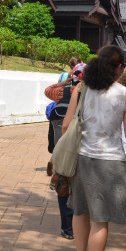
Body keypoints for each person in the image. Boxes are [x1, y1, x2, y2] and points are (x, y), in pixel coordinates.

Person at [63, 45, 126, 251]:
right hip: (110, 161)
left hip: (83, 158)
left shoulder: (80, 89)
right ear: (119, 68)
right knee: (100, 220)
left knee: (80, 211)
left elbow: (66, 126)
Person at [44, 80, 76, 240]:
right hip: (86, 149)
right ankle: (81, 227)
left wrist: (65, 82)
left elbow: (47, 90)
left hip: (63, 147)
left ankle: (68, 228)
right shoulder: (94, 92)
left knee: (63, 185)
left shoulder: (62, 91)